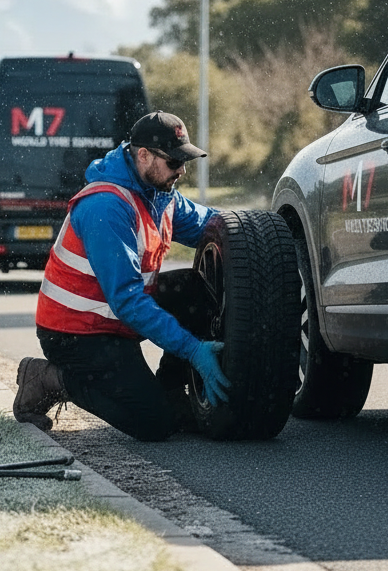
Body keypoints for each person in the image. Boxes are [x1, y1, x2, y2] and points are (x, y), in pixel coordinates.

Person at [13, 111, 230, 441]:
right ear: (143, 156)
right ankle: (49, 379)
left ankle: (171, 391)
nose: (181, 171)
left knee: (192, 289)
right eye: (174, 162)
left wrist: (263, 233)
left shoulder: (159, 194)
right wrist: (193, 349)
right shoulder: (106, 207)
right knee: (153, 424)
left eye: (184, 161)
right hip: (76, 334)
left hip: (115, 320)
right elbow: (128, 301)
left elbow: (214, 226)